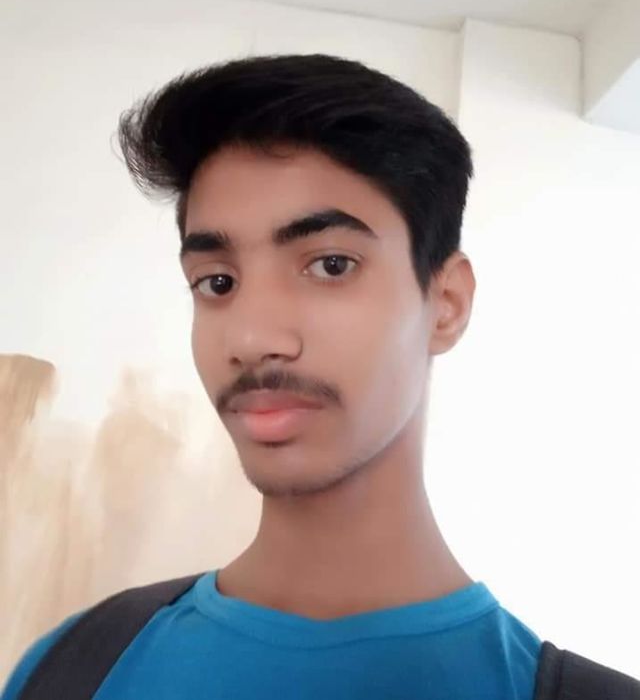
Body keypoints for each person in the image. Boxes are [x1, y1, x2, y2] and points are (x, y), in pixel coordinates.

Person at [3, 53, 543, 698]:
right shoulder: (69, 667)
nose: (251, 338)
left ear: (446, 303)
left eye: (331, 265)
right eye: (217, 282)